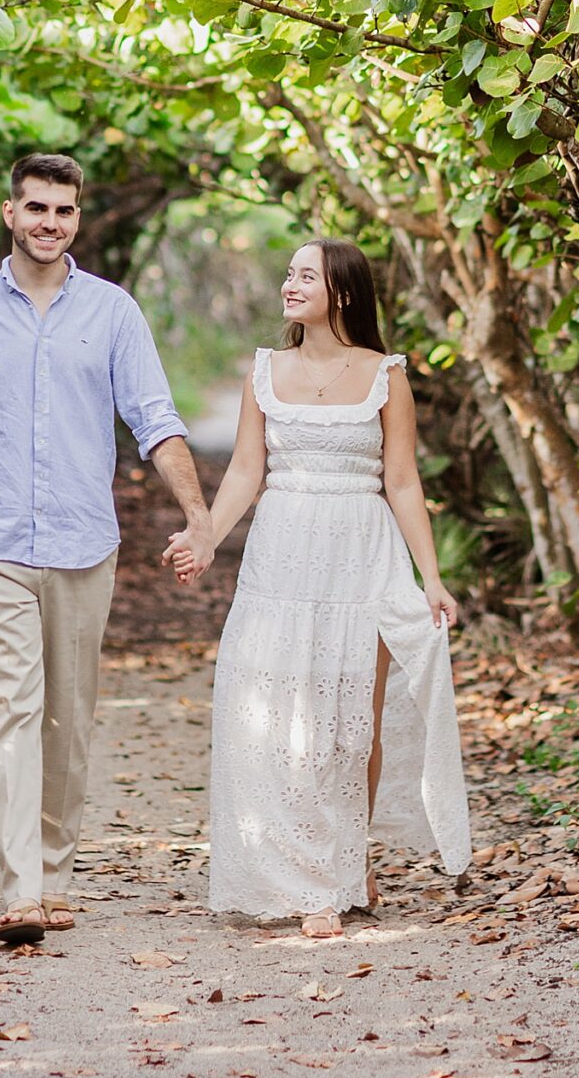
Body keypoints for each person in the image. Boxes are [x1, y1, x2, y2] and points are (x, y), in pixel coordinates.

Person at [0, 152, 214, 947]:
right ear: (9, 213)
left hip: (85, 544)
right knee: (6, 711)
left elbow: (155, 417)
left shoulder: (113, 312)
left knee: (68, 720)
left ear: (77, 219)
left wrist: (199, 514)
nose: (50, 223)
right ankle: (20, 887)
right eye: (37, 208)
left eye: (65, 211)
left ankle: (54, 871)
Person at [170, 236, 472, 936]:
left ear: (341, 291)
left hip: (362, 555)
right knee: (281, 708)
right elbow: (246, 471)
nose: (289, 283)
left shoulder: (386, 375)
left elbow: (401, 479)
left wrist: (431, 578)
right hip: (282, 554)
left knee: (351, 724)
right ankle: (307, 881)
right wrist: (205, 535)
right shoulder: (264, 372)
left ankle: (344, 860)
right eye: (288, 272)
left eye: (305, 275)